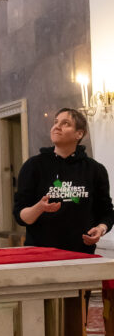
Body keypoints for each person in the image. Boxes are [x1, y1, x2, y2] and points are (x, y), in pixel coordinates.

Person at [13, 108, 114, 254]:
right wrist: (39, 207)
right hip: (39, 254)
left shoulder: (95, 169)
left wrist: (101, 228)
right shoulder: (33, 166)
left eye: (65, 123)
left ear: (79, 134)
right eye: (55, 122)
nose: (57, 126)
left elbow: (107, 212)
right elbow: (21, 217)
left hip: (81, 253)